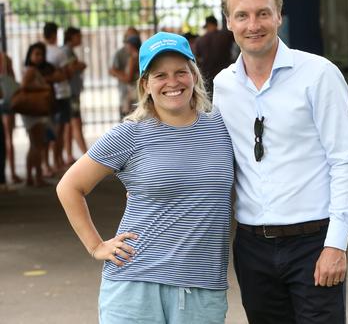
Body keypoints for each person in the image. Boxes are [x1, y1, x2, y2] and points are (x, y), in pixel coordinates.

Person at [213, 0, 348, 324]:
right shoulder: (223, 86)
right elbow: (214, 157)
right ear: (229, 22)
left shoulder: (319, 75)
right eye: (242, 15)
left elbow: (346, 163)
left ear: (279, 16)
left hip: (313, 242)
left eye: (263, 13)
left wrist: (336, 244)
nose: (253, 24)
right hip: (252, 248)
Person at [56, 32, 232, 323]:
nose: (172, 82)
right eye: (160, 75)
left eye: (180, 72)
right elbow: (70, 187)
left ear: (194, 74)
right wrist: (96, 246)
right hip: (134, 283)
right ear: (145, 84)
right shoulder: (130, 133)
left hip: (202, 287)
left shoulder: (221, 126)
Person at [21, 42, 65, 187]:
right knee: (37, 145)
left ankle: (31, 176)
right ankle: (36, 176)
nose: (39, 57)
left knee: (35, 145)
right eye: (36, 54)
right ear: (30, 55)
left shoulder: (32, 69)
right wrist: (43, 86)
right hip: (34, 112)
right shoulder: (31, 70)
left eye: (41, 54)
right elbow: (25, 86)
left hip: (34, 112)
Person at [43, 22, 72, 172]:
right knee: (59, 131)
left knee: (47, 131)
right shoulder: (59, 52)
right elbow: (67, 73)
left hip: (45, 95)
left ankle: (47, 164)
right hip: (60, 94)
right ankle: (57, 161)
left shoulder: (40, 52)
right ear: (55, 34)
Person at [62, 27, 88, 164]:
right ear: (71, 37)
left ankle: (69, 154)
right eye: (78, 36)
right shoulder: (66, 51)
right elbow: (71, 68)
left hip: (72, 92)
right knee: (76, 122)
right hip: (71, 93)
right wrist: (79, 65)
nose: (80, 39)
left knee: (69, 125)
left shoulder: (68, 51)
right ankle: (87, 155)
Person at [195, 14, 235, 101]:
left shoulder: (200, 40)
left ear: (208, 25)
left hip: (207, 76)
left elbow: (197, 59)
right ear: (216, 24)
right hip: (226, 74)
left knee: (211, 102)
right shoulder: (226, 35)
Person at [0, 49, 22, 184]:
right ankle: (12, 173)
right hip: (7, 105)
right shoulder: (5, 58)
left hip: (5, 104)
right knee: (8, 139)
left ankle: (8, 174)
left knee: (6, 140)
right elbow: (13, 82)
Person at [109, 27, 140, 118]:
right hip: (129, 94)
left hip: (134, 94)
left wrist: (114, 71)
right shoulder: (122, 54)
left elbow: (128, 78)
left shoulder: (133, 57)